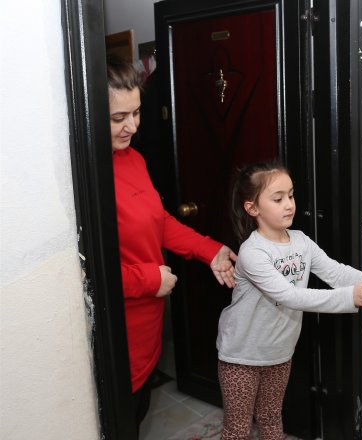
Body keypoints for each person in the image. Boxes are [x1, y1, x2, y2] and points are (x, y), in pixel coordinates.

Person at [106, 53, 238, 434]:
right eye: (118, 118)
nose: (132, 125)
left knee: (140, 410)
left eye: (136, 113)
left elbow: (159, 221)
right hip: (122, 335)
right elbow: (90, 275)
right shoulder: (89, 179)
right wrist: (150, 280)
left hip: (148, 330)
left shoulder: (133, 160)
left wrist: (209, 249)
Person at [216, 162, 362, 439]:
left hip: (279, 352)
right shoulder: (253, 252)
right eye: (278, 198)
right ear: (252, 208)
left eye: (291, 195)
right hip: (241, 355)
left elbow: (335, 271)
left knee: (271, 419)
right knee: (237, 430)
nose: (289, 205)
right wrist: (350, 297)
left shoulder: (301, 241)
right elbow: (289, 295)